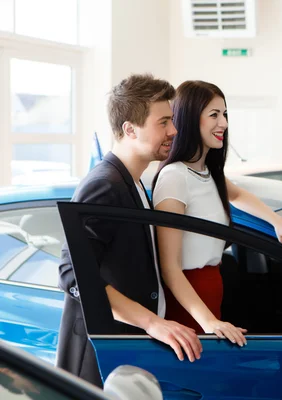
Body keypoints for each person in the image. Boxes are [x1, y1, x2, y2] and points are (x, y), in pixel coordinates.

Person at [57, 74, 203, 388]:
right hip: (99, 359)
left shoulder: (132, 180)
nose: (174, 131)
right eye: (163, 122)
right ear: (130, 129)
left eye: (172, 120)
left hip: (125, 350)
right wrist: (153, 323)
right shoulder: (103, 186)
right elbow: (73, 274)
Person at [152, 80, 282, 347]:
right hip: (187, 300)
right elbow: (169, 267)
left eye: (225, 114)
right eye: (214, 115)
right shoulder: (174, 177)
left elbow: (239, 195)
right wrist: (209, 322)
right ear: (189, 118)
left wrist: (278, 223)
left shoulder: (208, 172)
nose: (223, 123)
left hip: (212, 290)